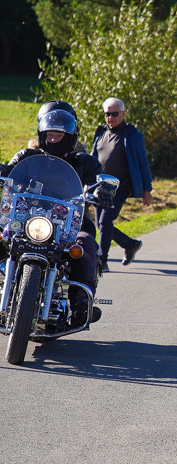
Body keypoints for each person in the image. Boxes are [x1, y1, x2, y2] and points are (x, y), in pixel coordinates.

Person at [0, 100, 109, 327]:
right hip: (26, 220)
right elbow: (9, 172)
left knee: (86, 243)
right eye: (49, 133)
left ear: (70, 134)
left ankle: (81, 305)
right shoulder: (26, 156)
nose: (53, 138)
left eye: (58, 134)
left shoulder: (84, 162)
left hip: (69, 226)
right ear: (41, 131)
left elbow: (98, 182)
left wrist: (103, 190)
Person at [90, 97, 152, 272]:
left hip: (120, 186)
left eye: (115, 114)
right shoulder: (101, 133)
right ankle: (130, 244)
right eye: (107, 114)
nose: (111, 117)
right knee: (101, 224)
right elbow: (92, 159)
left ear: (123, 114)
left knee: (105, 221)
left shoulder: (132, 135)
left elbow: (143, 163)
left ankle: (101, 262)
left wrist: (147, 190)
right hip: (100, 186)